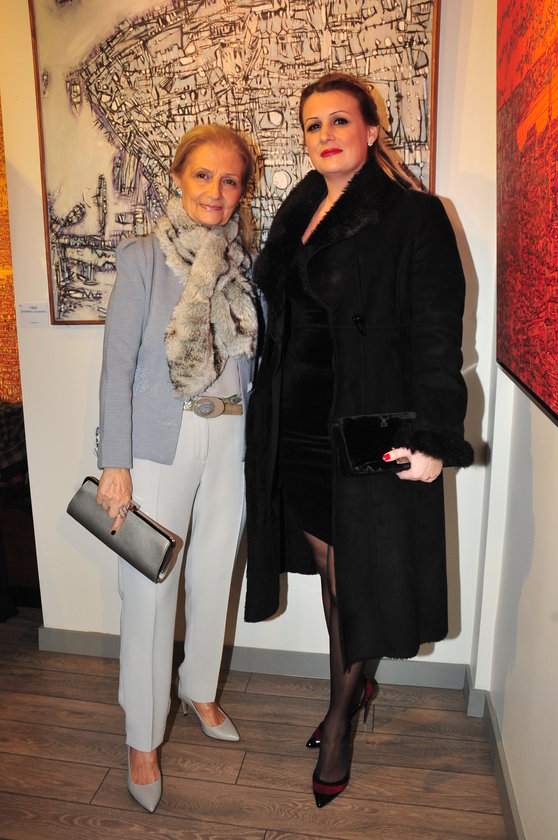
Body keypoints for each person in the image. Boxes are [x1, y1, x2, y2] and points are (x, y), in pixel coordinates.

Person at [244, 72, 473, 808]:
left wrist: (435, 436)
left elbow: (438, 335)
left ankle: (340, 720)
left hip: (365, 423)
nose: (326, 135)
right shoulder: (299, 213)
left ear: (372, 130)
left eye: (340, 120)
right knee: (328, 564)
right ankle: (357, 680)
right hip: (299, 422)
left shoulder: (415, 215)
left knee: (354, 579)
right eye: (313, 125)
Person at [95, 124, 259, 813]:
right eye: (203, 176)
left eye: (230, 180)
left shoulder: (245, 266)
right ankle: (142, 735)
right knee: (150, 588)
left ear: (242, 191)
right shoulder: (142, 259)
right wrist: (114, 463)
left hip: (232, 434)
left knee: (215, 571)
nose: (216, 191)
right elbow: (117, 368)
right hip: (162, 441)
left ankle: (199, 691)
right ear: (178, 179)